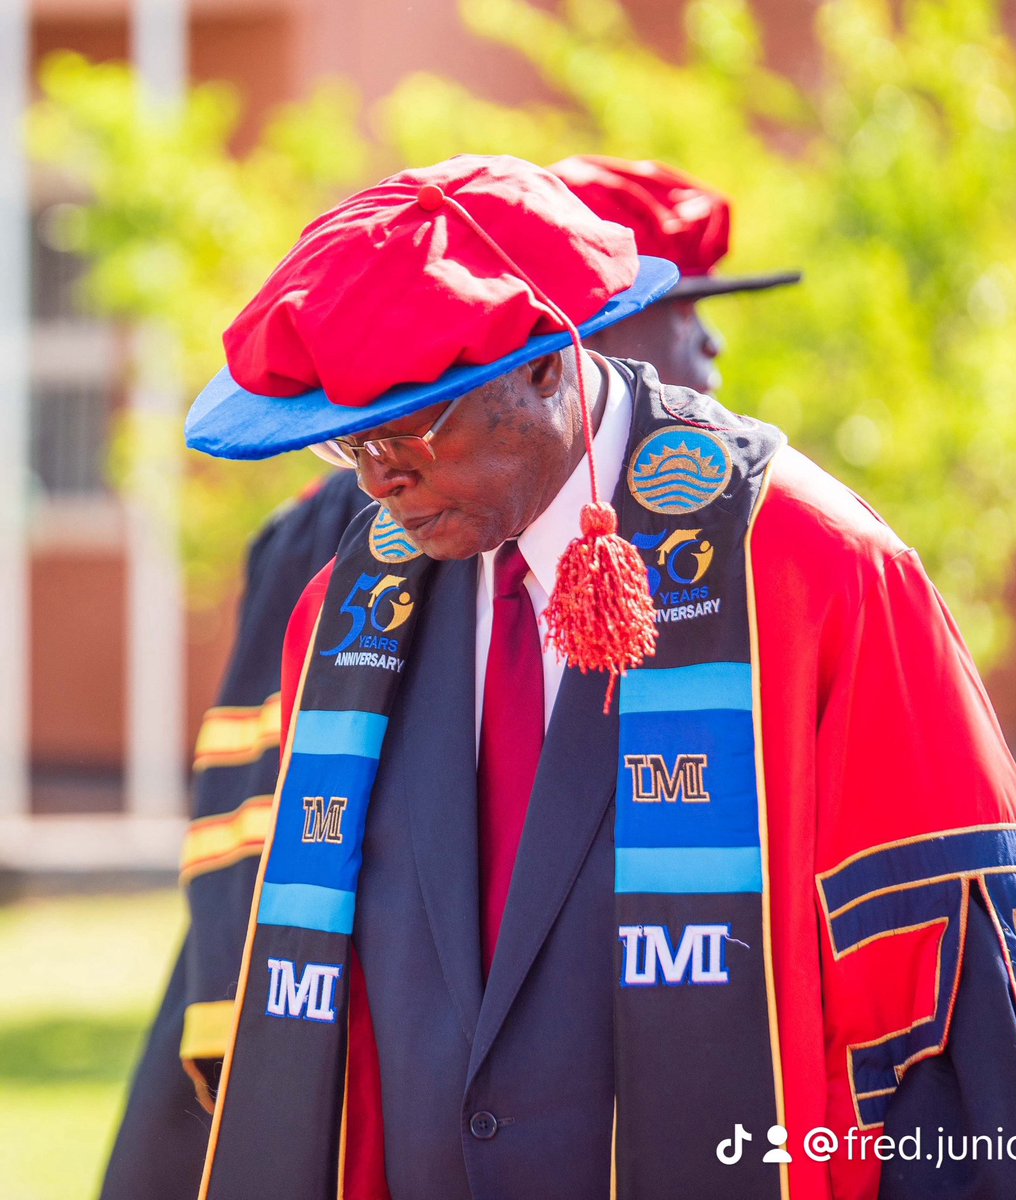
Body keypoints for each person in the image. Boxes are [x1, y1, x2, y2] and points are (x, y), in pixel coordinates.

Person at [99, 155, 801, 1200]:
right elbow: (252, 833)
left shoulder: (770, 552)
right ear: (574, 338)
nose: (706, 340)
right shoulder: (359, 556)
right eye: (679, 301)